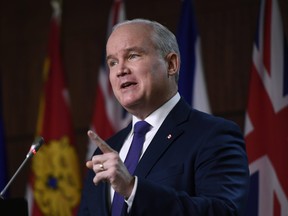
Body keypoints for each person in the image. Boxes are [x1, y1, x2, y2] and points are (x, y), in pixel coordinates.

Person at [78, 18, 250, 216]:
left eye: (133, 56)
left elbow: (224, 212)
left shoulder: (214, 135)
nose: (120, 70)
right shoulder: (106, 151)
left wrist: (133, 189)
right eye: (113, 62)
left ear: (171, 64)